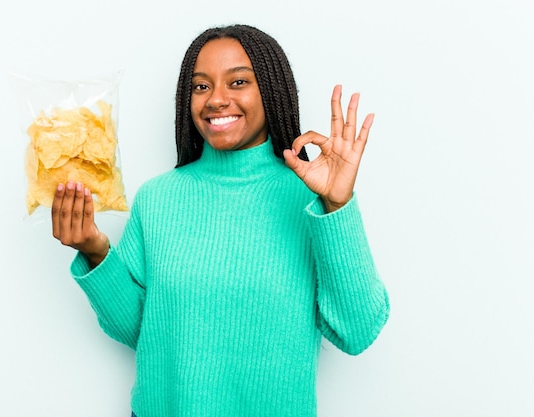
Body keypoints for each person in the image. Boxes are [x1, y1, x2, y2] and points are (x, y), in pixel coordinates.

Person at [51, 24, 389, 417]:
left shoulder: (310, 200)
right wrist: (95, 252)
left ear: (271, 91)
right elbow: (146, 331)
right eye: (201, 86)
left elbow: (358, 331)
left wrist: (337, 205)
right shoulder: (159, 198)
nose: (216, 100)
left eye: (238, 82)